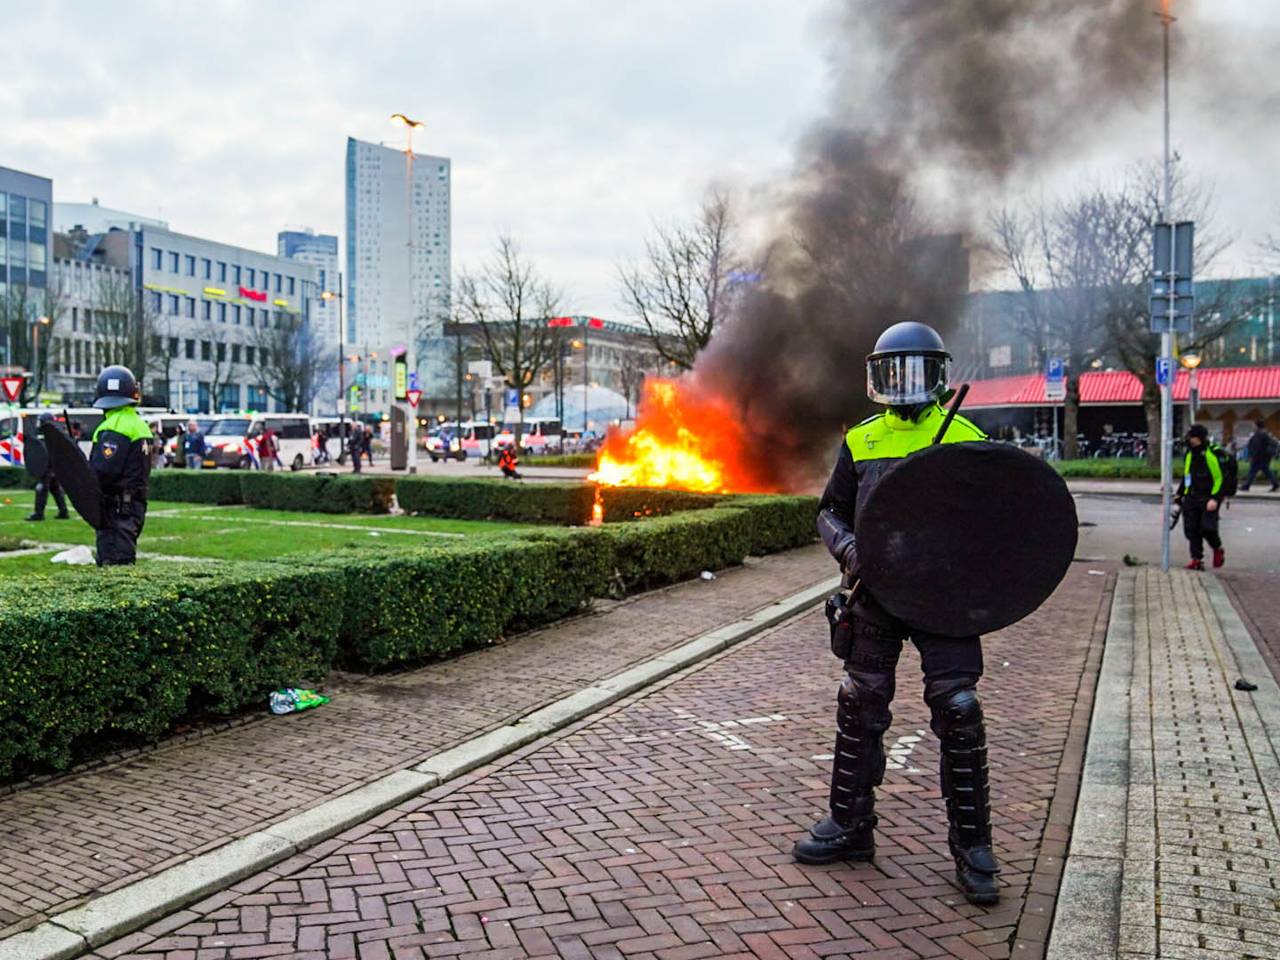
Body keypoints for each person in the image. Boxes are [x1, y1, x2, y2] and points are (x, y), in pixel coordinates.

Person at [792, 321, 1000, 907]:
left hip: (942, 599)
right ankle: (850, 825)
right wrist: (850, 550)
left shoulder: (965, 436)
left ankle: (973, 847)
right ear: (877, 376)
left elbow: (990, 523)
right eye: (894, 370)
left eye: (915, 370)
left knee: (959, 710)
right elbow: (830, 511)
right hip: (875, 593)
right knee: (860, 703)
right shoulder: (861, 440)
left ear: (938, 375)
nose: (904, 382)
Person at [89, 365, 152, 566]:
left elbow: (102, 473)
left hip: (115, 511)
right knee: (124, 562)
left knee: (113, 564)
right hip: (133, 507)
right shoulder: (139, 424)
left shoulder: (113, 427)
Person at [1177, 423, 1225, 570]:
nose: (1188, 439)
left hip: (1208, 498)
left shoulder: (1211, 454)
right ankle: (1196, 560)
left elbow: (1219, 478)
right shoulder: (1190, 453)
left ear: (1198, 438)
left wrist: (1215, 498)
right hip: (1191, 497)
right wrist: (1180, 493)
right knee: (1191, 529)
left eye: (1191, 437)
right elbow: (1187, 475)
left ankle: (1217, 548)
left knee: (1207, 528)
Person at [25, 412, 70, 521]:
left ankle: (39, 513)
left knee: (41, 489)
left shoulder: (52, 435)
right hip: (53, 467)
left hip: (48, 467)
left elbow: (49, 453)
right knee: (55, 489)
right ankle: (63, 511)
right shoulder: (55, 434)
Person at [1240, 419, 1278, 492]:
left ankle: (1246, 486)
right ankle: (1275, 484)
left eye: (1254, 425)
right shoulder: (1264, 434)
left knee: (1253, 471)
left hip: (1259, 457)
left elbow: (1256, 446)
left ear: (1257, 426)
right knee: (1264, 471)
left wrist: (1252, 456)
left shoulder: (1259, 435)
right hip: (1263, 457)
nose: (1253, 427)